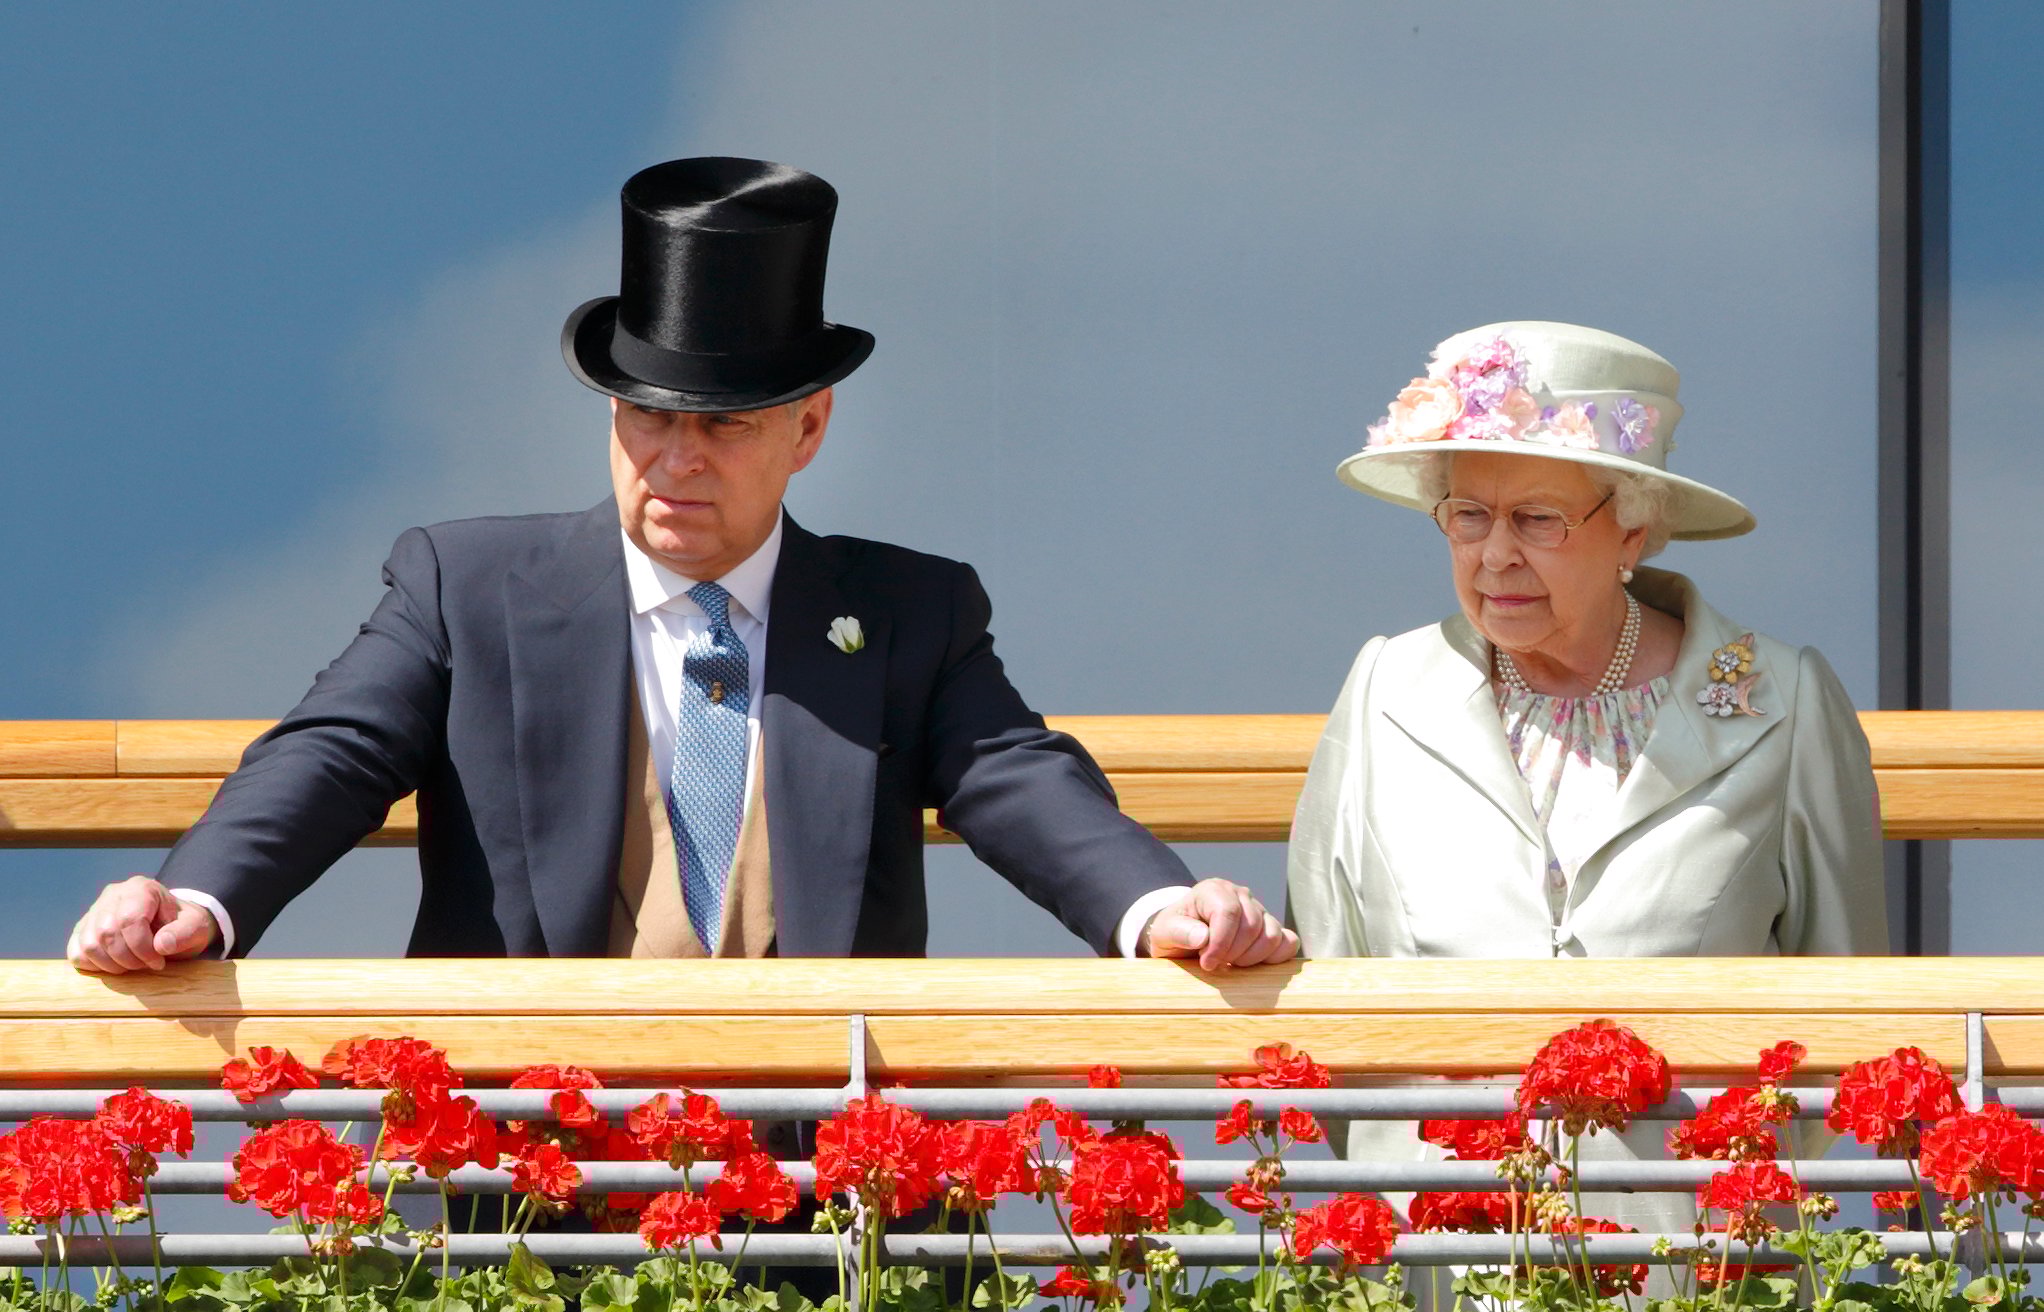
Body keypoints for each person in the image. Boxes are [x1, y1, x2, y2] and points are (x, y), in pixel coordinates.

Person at [68, 157, 1296, 976]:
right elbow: (329, 754)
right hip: (524, 1188)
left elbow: (1016, 777)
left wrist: (1157, 912)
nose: (675, 456)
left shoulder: (907, 612)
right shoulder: (468, 586)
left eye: (723, 424)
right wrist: (199, 903)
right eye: (646, 417)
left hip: (819, 1193)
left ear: (808, 429)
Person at [1287, 321, 1885, 1242]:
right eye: (1468, 515)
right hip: (1437, 1263)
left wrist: (1729, 1201)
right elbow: (1328, 975)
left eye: (1538, 518)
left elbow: (1844, 1001)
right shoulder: (1384, 689)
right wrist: (1393, 1169)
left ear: (1634, 529)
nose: (1494, 555)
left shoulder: (1781, 698)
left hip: (1691, 1275)